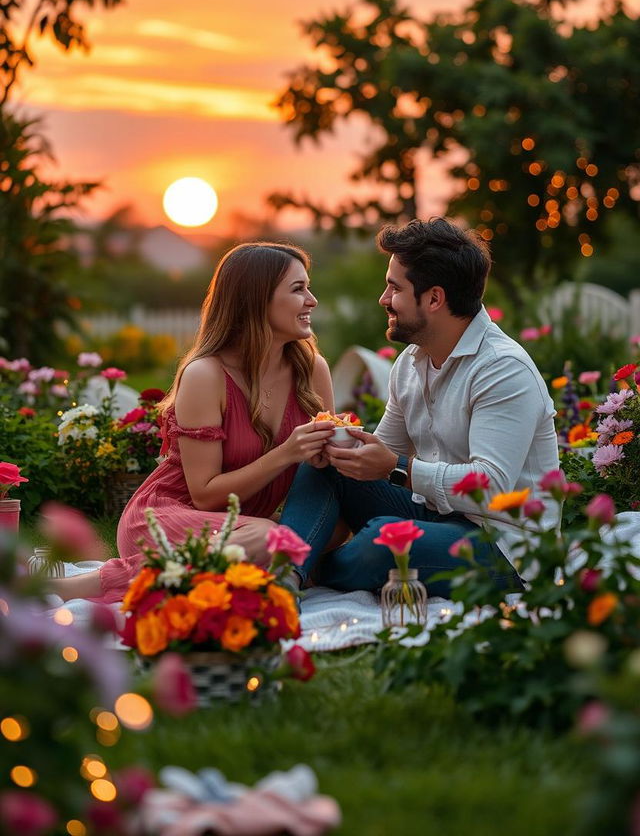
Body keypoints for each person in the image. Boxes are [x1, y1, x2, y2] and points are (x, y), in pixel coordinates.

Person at [279, 218, 560, 597]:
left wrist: (397, 468)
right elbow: (380, 456)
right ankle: (283, 575)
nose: (383, 299)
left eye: (394, 288)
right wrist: (341, 449)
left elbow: (490, 485)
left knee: (383, 543)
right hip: (436, 515)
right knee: (327, 465)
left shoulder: (502, 369)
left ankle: (307, 573)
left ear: (434, 298)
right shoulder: (412, 362)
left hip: (507, 545)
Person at [51, 242, 335, 602]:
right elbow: (205, 494)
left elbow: (317, 477)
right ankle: (71, 589)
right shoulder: (207, 374)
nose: (312, 300)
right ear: (255, 299)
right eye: (298, 289)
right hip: (169, 516)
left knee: (303, 540)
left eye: (308, 288)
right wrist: (287, 453)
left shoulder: (312, 371)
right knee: (272, 541)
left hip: (242, 525)